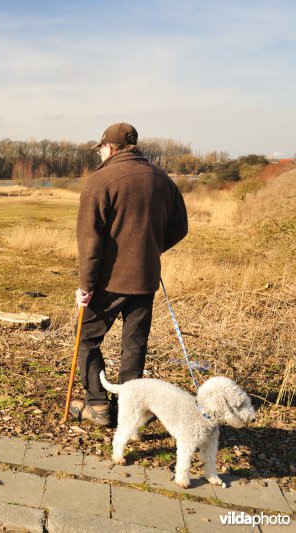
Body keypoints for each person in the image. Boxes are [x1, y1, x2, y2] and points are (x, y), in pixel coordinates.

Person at [69, 123, 189, 426]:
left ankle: (97, 405)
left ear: (109, 148)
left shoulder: (100, 180)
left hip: (109, 281)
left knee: (86, 339)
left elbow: (89, 240)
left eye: (101, 149)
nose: (100, 154)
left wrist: (86, 285)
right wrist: (151, 250)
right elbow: (179, 227)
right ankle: (129, 409)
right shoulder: (162, 179)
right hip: (146, 279)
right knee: (134, 345)